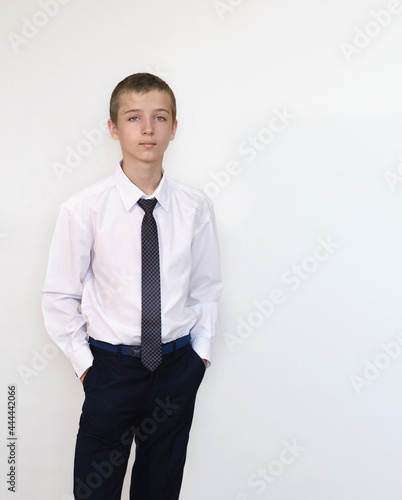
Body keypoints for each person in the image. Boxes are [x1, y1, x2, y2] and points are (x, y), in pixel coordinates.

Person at [42, 72, 222, 500]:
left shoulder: (195, 207)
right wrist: (87, 367)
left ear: (174, 128)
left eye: (160, 117)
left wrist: (200, 357)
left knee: (160, 489)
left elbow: (206, 286)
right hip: (111, 371)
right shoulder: (83, 209)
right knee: (95, 490)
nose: (147, 129)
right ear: (113, 128)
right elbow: (59, 295)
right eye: (133, 117)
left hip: (177, 368)